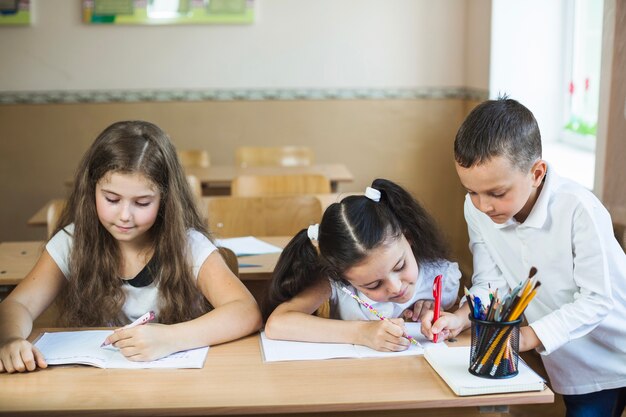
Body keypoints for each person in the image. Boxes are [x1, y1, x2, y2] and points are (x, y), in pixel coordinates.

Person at [0, 121, 262, 373]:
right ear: (91, 190)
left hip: (176, 383)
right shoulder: (73, 241)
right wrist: (10, 340)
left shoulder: (187, 245)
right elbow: (17, 304)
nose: (125, 215)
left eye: (142, 203)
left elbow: (246, 310)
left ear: (165, 200)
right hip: (97, 386)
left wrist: (171, 338)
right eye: (112, 199)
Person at [422, 97, 626, 416]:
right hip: (572, 362)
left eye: (497, 193)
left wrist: (526, 336)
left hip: (616, 351)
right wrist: (461, 316)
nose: (483, 205)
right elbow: (492, 282)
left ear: (536, 172)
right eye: (472, 191)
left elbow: (598, 300)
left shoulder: (578, 209)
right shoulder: (477, 211)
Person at [263, 178, 461, 352]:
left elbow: (456, 318)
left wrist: (435, 313)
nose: (395, 287)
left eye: (400, 266)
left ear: (408, 238)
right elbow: (278, 323)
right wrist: (362, 332)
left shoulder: (439, 276)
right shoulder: (335, 283)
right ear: (342, 277)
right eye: (373, 285)